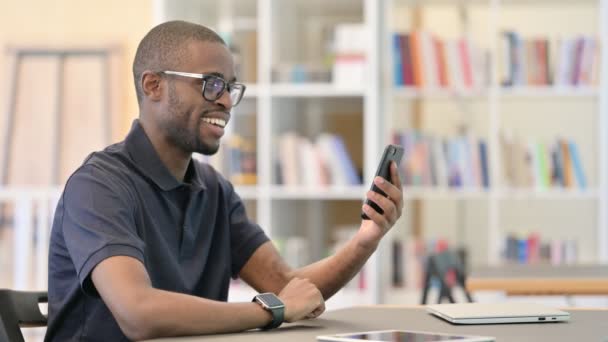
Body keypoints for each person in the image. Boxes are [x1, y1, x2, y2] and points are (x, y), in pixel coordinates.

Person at [45, 20, 403, 341]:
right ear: (153, 85)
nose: (228, 101)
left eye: (231, 87)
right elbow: (139, 313)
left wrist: (366, 240)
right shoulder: (97, 187)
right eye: (212, 84)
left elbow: (288, 289)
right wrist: (271, 311)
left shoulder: (214, 190)